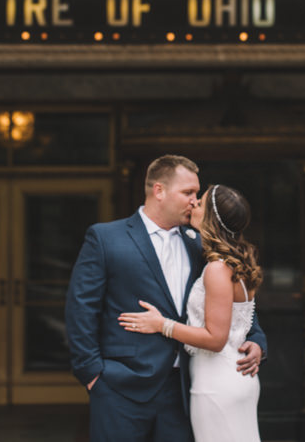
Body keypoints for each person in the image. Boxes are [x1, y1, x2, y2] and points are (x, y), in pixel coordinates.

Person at [65, 155, 267, 442]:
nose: (195, 201)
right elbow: (81, 309)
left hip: (185, 389)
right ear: (159, 191)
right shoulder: (106, 238)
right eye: (188, 193)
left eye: (197, 194)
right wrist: (93, 375)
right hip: (120, 388)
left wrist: (257, 340)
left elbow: (232, 303)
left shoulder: (200, 244)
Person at [119, 183, 264, 442]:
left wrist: (162, 324)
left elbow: (216, 339)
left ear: (211, 218)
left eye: (202, 202)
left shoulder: (218, 269)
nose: (194, 203)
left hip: (217, 384)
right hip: (232, 378)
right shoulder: (233, 263)